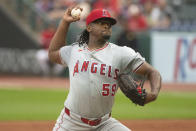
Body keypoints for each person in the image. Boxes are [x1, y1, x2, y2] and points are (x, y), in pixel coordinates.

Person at [49, 6, 162, 131]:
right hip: (71, 123)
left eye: (109, 24)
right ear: (89, 27)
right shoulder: (75, 50)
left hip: (104, 124)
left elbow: (152, 72)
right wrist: (65, 22)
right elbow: (53, 52)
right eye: (101, 23)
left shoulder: (121, 53)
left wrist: (154, 93)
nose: (106, 26)